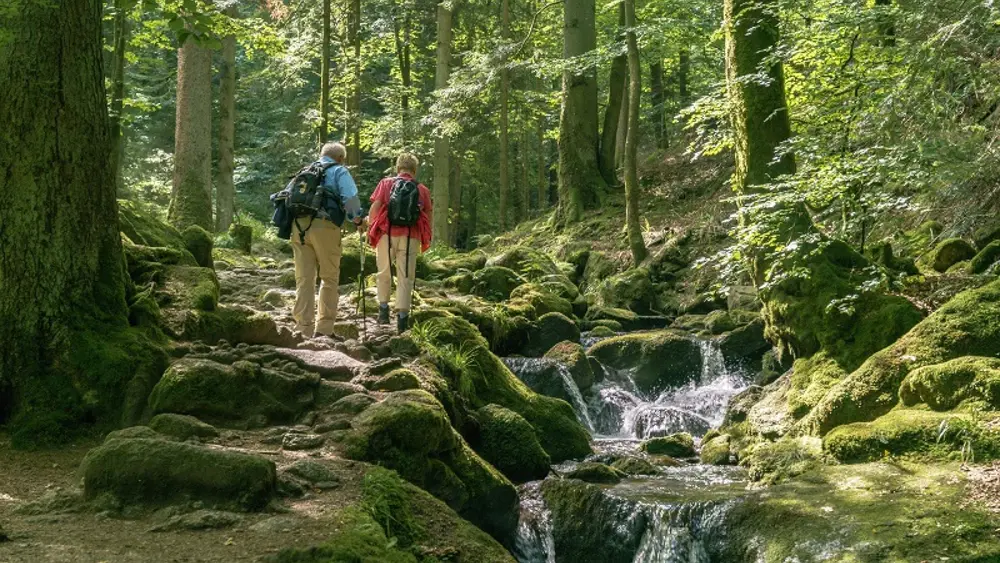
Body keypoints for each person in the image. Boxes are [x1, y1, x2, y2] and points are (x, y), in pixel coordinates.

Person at [290, 142, 364, 338]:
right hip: (325, 226)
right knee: (329, 278)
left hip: (298, 227)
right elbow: (350, 200)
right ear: (340, 158)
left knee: (304, 279)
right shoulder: (339, 171)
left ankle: (302, 329)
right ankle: (324, 330)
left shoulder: (305, 171)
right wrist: (358, 220)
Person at [367, 153, 433, 333]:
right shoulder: (422, 190)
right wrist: (427, 238)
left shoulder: (386, 183)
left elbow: (375, 207)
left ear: (398, 168)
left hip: (386, 235)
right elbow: (428, 216)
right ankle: (402, 319)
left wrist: (370, 229)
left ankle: (383, 312)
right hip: (411, 236)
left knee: (383, 272)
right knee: (405, 277)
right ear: (414, 170)